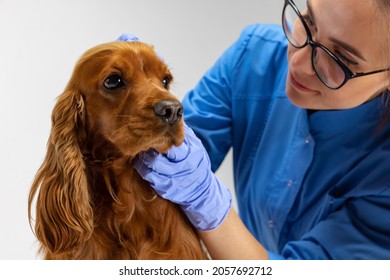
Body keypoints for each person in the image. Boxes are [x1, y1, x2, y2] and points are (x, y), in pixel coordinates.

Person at [131, 0, 390, 259]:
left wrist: (207, 202)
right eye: (309, 21)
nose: (298, 63)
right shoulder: (252, 55)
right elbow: (153, 170)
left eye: (340, 59)